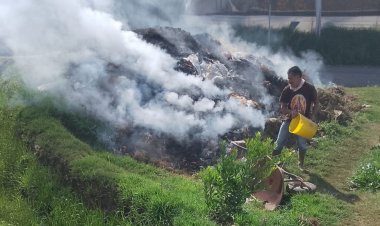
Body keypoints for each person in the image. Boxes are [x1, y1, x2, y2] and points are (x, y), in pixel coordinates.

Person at [272, 66, 319, 170]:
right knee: (278, 143)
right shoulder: (287, 90)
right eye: (288, 78)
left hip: (303, 122)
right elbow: (283, 108)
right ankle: (274, 165)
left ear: (298, 77)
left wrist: (313, 115)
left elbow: (316, 103)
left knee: (302, 145)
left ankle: (301, 163)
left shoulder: (309, 88)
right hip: (289, 120)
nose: (289, 81)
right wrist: (290, 112)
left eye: (291, 78)